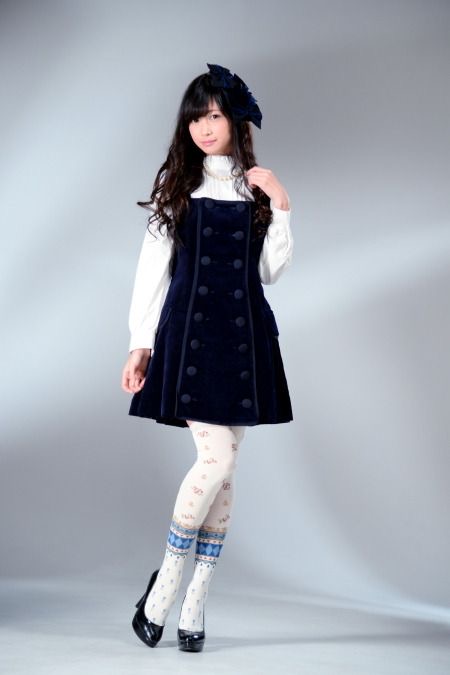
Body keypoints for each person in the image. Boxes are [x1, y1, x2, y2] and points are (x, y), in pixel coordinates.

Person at [121, 63, 294, 652]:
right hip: (189, 334)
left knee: (226, 470)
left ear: (236, 121)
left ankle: (194, 603)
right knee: (214, 459)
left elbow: (269, 272)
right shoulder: (177, 186)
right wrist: (140, 343)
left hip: (244, 339)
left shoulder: (256, 188)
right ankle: (167, 588)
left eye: (214, 115)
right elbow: (152, 269)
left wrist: (282, 205)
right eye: (196, 118)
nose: (204, 127)